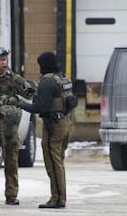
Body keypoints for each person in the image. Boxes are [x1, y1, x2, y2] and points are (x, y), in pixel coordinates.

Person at [19, 51, 72, 209]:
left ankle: (57, 198)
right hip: (64, 122)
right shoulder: (62, 77)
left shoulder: (47, 81)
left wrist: (20, 103)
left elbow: (39, 107)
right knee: (58, 161)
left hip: (53, 125)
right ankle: (59, 197)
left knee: (53, 162)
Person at [0, 47, 35, 206]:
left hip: (9, 128)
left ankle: (11, 194)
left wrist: (17, 99)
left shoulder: (13, 78)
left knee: (11, 162)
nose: (4, 62)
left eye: (5, 59)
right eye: (0, 60)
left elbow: (30, 93)